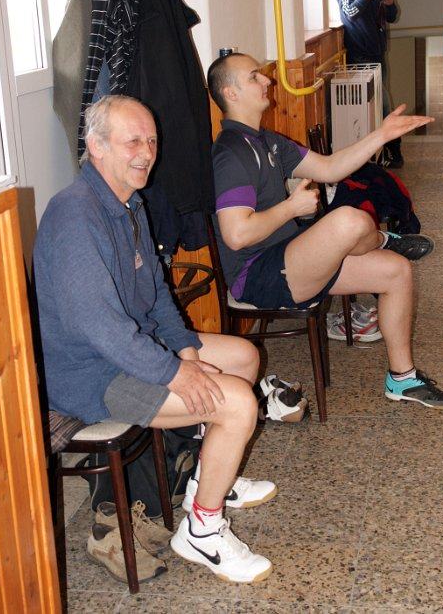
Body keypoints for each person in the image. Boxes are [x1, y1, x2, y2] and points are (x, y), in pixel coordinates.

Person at [33, 95, 276, 584]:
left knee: (243, 358)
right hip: (90, 373)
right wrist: (175, 371)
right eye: (132, 142)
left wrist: (185, 349)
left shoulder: (130, 203)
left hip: (131, 346)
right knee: (237, 405)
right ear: (96, 146)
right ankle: (203, 531)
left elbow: (158, 293)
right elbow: (98, 327)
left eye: (151, 140)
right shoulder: (74, 216)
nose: (146, 152)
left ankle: (206, 485)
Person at [207, 52, 443, 411]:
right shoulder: (231, 153)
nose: (267, 81)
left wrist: (381, 135)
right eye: (254, 77)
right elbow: (236, 234)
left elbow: (329, 168)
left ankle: (402, 379)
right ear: (230, 93)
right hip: (257, 274)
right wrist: (291, 208)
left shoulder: (266, 141)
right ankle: (384, 240)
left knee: (396, 271)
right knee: (348, 221)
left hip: (290, 257)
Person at [336, 0, 404, 168]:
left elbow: (392, 16)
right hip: (360, 59)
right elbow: (350, 14)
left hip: (378, 56)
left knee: (381, 107)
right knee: (379, 108)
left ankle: (387, 154)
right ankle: (391, 154)